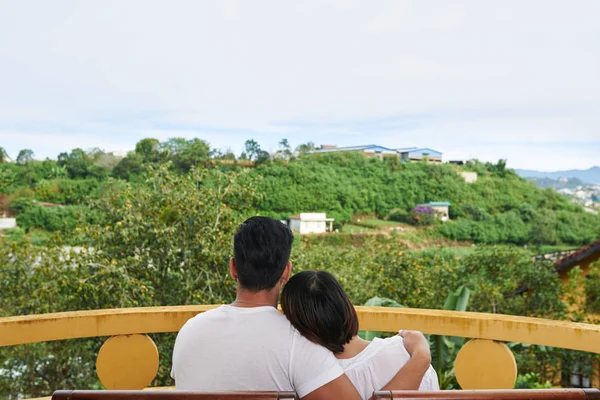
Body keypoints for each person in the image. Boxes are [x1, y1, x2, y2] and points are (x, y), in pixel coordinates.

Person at [172, 216, 432, 400]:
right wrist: (420, 356)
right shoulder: (297, 343)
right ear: (286, 271)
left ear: (233, 268)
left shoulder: (189, 330)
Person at [281, 270, 439, 400]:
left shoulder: (310, 378)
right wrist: (422, 355)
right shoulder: (406, 351)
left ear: (296, 323)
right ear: (345, 304)